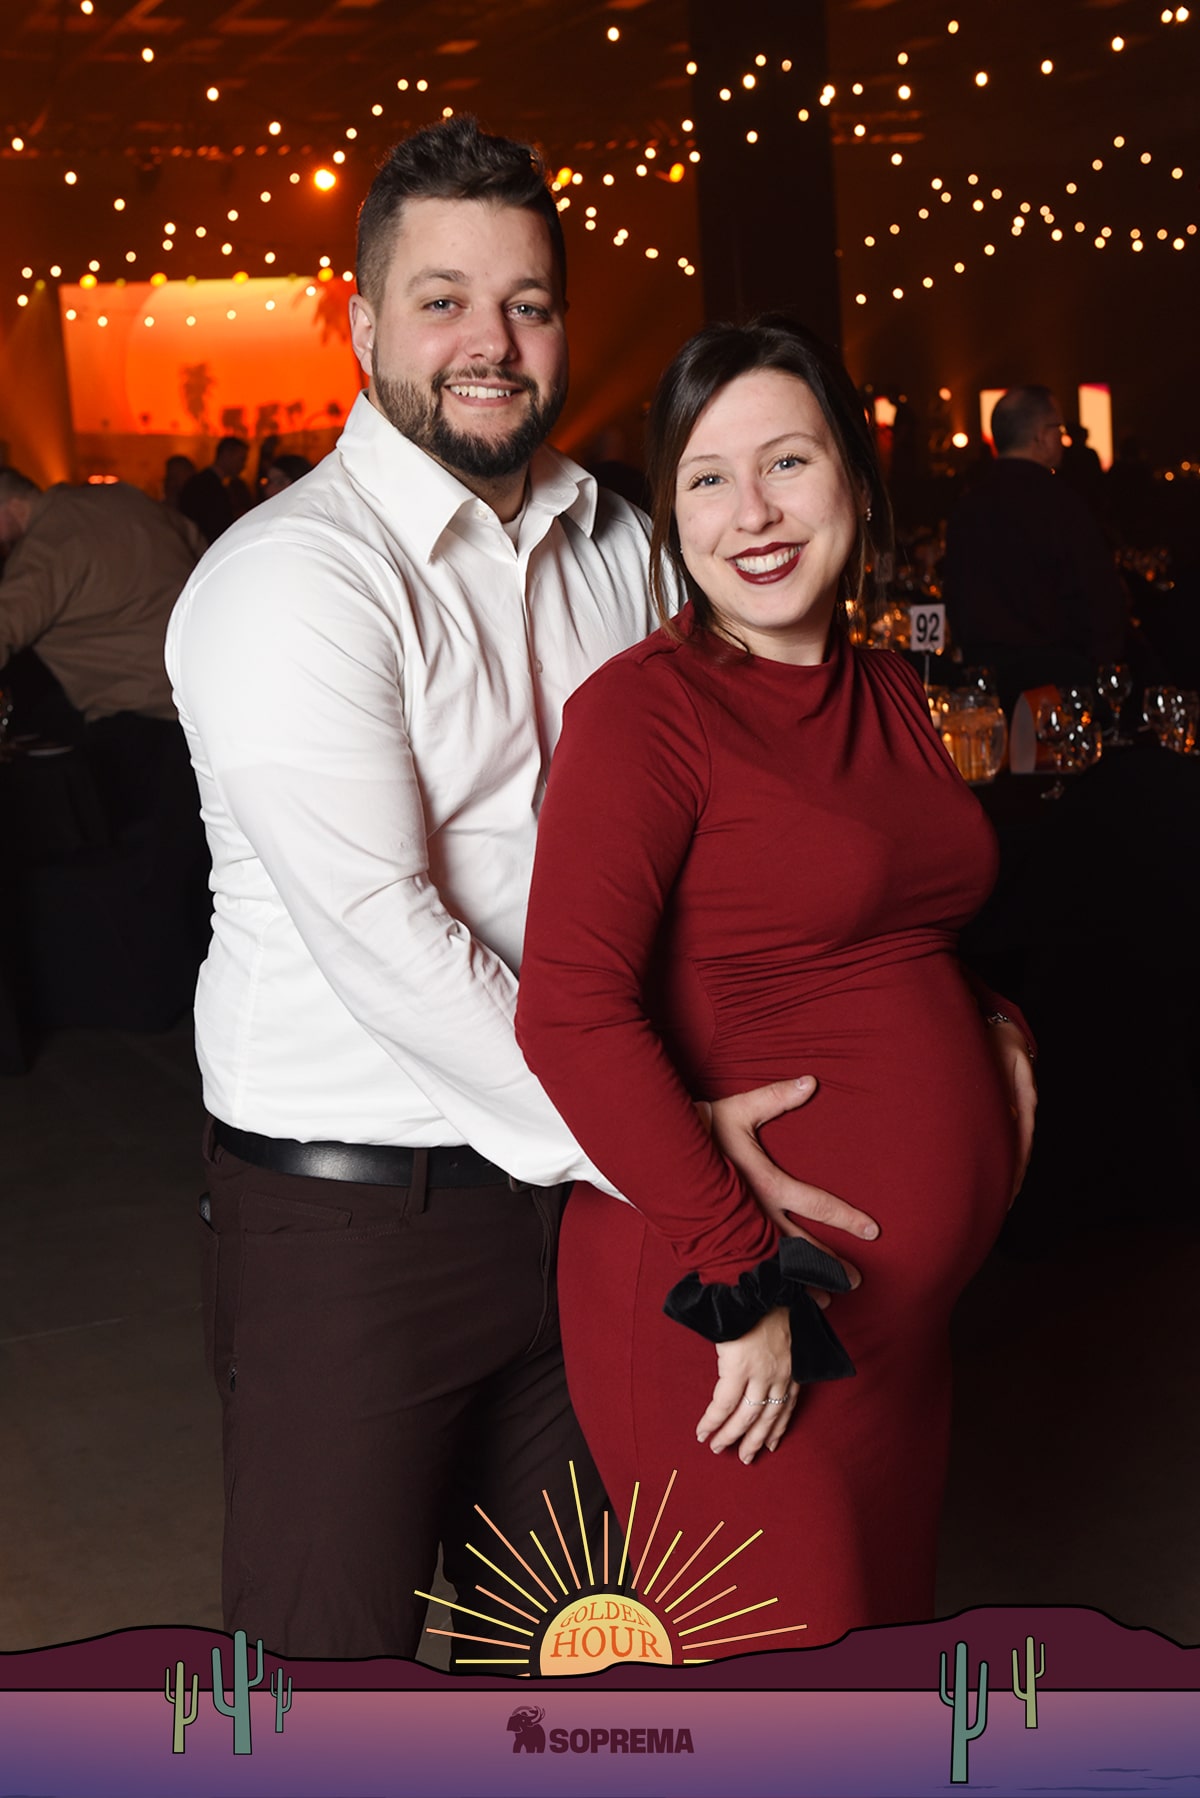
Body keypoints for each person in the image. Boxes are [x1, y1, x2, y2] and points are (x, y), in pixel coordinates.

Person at [164, 122, 871, 1662]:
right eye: (443, 301)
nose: (489, 342)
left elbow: (748, 829)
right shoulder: (292, 580)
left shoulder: (626, 539)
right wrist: (666, 1145)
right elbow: (393, 940)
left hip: (586, 1209)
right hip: (359, 1221)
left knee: (565, 1659)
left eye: (527, 303)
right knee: (324, 1682)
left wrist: (960, 1008)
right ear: (362, 326)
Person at [516, 316, 1037, 1652]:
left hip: (898, 1327)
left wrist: (993, 1030)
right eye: (706, 477)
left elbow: (904, 917)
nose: (750, 512)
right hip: (733, 1320)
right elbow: (567, 1009)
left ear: (855, 477)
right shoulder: (645, 715)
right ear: (669, 512)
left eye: (787, 463)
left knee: (874, 1672)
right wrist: (740, 1275)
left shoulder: (889, 688)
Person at [943, 385, 1126, 711]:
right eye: (1058, 429)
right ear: (1041, 436)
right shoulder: (1063, 503)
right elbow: (1099, 598)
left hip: (988, 686)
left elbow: (955, 595)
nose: (1062, 439)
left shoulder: (966, 506)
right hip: (1059, 686)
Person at [0, 466, 197, 732]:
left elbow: (6, 621)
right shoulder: (119, 496)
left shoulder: (43, 546)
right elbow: (196, 542)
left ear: (11, 505)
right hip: (197, 687)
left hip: (139, 709)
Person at [178, 436, 251, 545]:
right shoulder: (206, 485)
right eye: (241, 459)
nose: (243, 466)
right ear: (226, 455)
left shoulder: (207, 482)